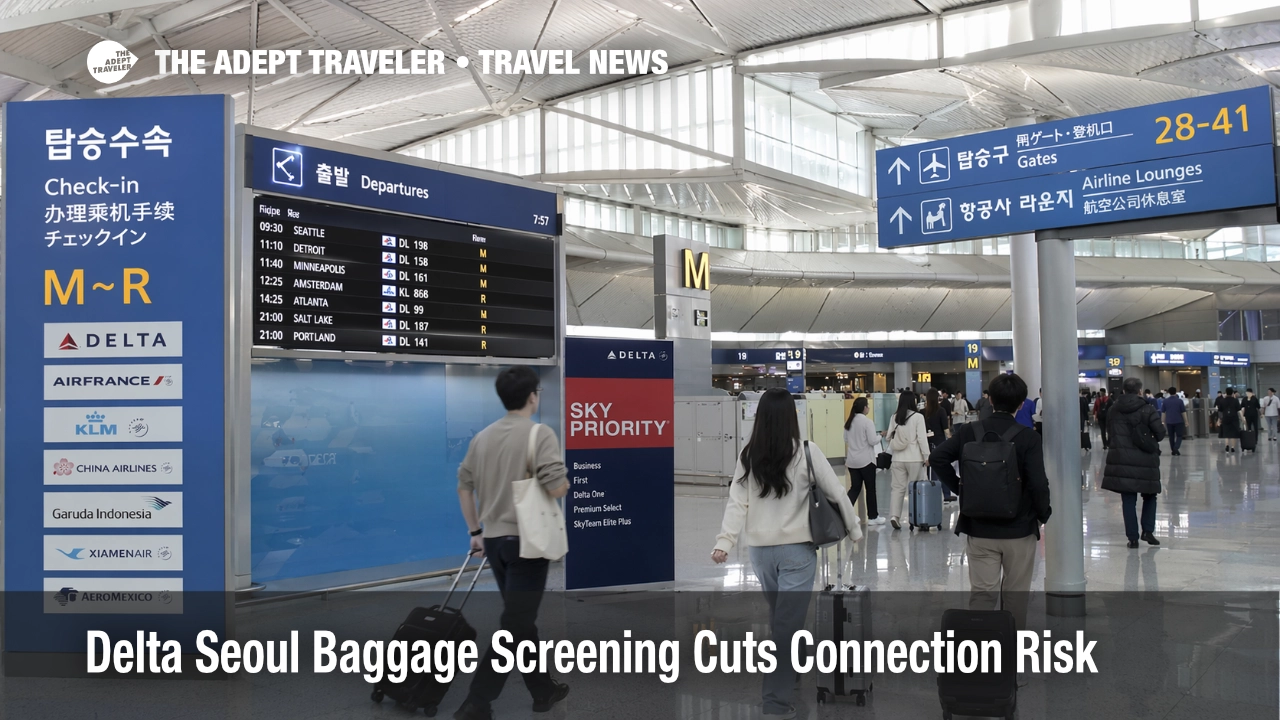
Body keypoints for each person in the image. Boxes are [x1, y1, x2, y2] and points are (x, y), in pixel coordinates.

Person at [712, 388, 859, 719]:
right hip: (797, 552)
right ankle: (776, 704)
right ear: (792, 417)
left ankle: (790, 669)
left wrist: (725, 541)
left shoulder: (749, 455)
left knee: (782, 619)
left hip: (761, 554)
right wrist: (856, 528)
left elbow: (738, 501)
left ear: (760, 418)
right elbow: (837, 491)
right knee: (786, 626)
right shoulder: (806, 451)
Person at [455, 366, 570, 720]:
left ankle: (542, 690)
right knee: (515, 624)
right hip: (526, 544)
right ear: (532, 396)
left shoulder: (483, 437)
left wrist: (475, 532)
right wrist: (560, 483)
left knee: (520, 620)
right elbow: (556, 487)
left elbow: (464, 486)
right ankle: (478, 701)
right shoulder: (539, 434)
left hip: (493, 542)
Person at [929, 373, 1051, 629]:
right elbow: (1039, 483)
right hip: (1019, 529)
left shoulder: (968, 432)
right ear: (1021, 404)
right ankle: (1011, 655)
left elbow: (938, 458)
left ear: (990, 399)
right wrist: (1042, 514)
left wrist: (963, 490)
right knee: (1015, 598)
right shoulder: (1029, 438)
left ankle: (983, 655)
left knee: (982, 595)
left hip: (979, 528)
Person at [1102, 377, 1166, 549]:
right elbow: (1160, 434)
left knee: (1128, 500)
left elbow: (1110, 432)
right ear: (1140, 391)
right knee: (1150, 495)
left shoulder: (1114, 409)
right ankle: (1148, 531)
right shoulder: (1148, 408)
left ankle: (1133, 538)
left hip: (1122, 459)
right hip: (1146, 459)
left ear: (1123, 390)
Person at [885, 390, 931, 530]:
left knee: (897, 489)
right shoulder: (918, 417)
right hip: (914, 458)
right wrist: (927, 456)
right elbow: (922, 439)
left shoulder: (895, 417)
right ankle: (917, 517)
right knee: (916, 489)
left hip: (898, 458)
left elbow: (888, 437)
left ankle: (894, 516)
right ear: (914, 401)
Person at [844, 397, 884, 526]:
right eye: (867, 405)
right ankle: (873, 517)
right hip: (866, 461)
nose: (869, 408)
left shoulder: (849, 422)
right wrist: (881, 435)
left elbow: (845, 439)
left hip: (852, 461)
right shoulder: (867, 422)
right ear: (864, 408)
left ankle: (844, 514)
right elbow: (872, 440)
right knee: (870, 489)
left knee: (854, 488)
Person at [923, 388, 955, 503]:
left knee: (928, 471)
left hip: (926, 443)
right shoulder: (941, 411)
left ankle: (931, 493)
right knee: (942, 469)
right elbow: (945, 429)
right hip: (939, 443)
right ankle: (946, 494)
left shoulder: (922, 412)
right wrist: (951, 438)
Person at [1163, 386, 1187, 456]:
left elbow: (1163, 412)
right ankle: (1176, 448)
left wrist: (1162, 422)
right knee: (1179, 436)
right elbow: (1183, 412)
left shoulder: (1165, 401)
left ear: (1169, 393)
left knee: (1171, 436)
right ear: (1175, 392)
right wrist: (1186, 421)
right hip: (1179, 421)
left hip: (1169, 421)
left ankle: (1173, 450)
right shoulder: (1179, 401)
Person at [1219, 388, 1243, 452]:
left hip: (1225, 418)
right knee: (1233, 433)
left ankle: (1227, 445)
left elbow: (1220, 411)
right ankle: (1232, 447)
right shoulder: (1235, 400)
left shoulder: (1222, 401)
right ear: (1232, 393)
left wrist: (1219, 420)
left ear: (1226, 393)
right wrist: (1243, 418)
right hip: (1234, 418)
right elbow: (1239, 410)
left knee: (1226, 433)